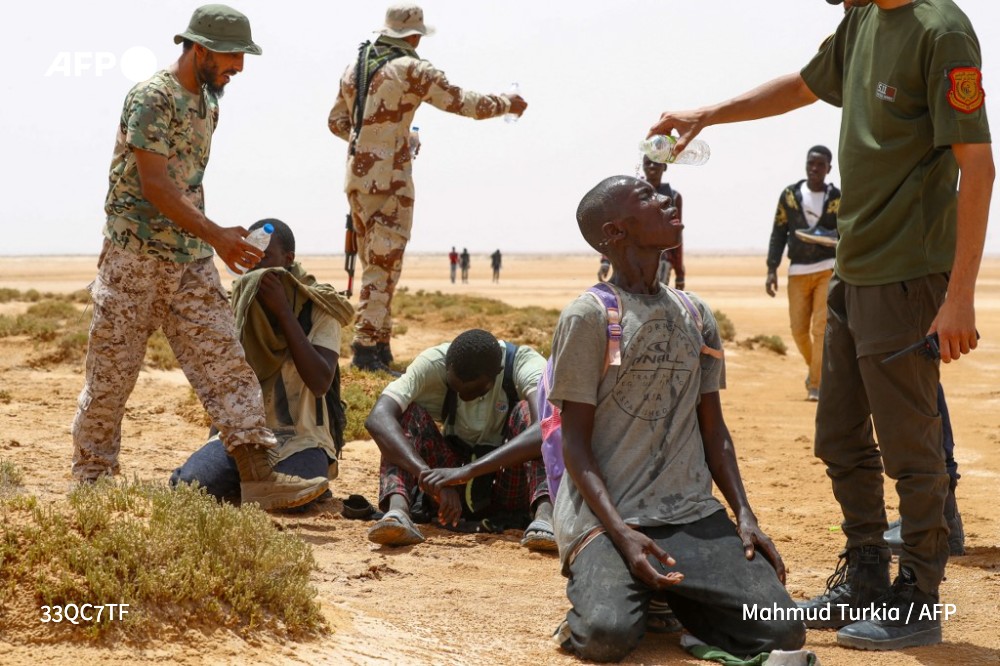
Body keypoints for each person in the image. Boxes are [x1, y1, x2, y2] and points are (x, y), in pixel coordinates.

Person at [649, 0, 993, 650]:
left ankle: (919, 594)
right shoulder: (862, 19)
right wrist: (707, 114)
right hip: (851, 270)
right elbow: (804, 86)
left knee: (911, 448)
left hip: (907, 272)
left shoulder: (941, 32)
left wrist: (960, 297)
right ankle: (865, 576)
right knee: (838, 436)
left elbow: (978, 165)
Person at [70, 5, 328, 510]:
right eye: (233, 56)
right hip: (134, 259)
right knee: (110, 378)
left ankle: (258, 477)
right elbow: (156, 185)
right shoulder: (152, 97)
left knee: (227, 368)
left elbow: (187, 185)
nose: (239, 68)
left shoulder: (209, 102)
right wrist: (218, 237)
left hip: (188, 260)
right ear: (201, 48)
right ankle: (91, 482)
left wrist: (214, 240)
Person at [548, 176, 804, 662]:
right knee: (605, 636)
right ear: (615, 232)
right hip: (609, 516)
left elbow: (714, 430)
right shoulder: (589, 317)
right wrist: (621, 533)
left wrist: (744, 515)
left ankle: (671, 598)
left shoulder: (695, 313)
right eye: (646, 198)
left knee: (782, 629)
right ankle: (624, 595)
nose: (666, 200)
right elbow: (574, 445)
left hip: (689, 512)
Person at [327, 3, 527, 374]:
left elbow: (337, 122)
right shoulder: (410, 68)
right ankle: (366, 350)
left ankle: (380, 345)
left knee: (379, 263)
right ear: (414, 36)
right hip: (389, 181)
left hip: (357, 179)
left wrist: (377, 140)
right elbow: (463, 102)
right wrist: (507, 104)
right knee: (382, 266)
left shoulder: (355, 67)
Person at [171, 219, 354, 509]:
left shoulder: (317, 306)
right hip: (242, 436)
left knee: (299, 493)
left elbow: (320, 381)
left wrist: (283, 311)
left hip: (300, 438)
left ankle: (253, 487)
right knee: (192, 489)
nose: (256, 267)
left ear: (288, 259)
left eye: (265, 258)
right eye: (250, 258)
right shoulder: (236, 304)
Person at [364, 329, 554, 551]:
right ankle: (397, 513)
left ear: (497, 373)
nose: (464, 396)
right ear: (447, 368)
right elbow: (378, 418)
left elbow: (545, 429)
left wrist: (467, 472)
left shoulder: (525, 365)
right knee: (405, 416)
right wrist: (429, 477)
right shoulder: (432, 362)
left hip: (507, 481)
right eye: (456, 388)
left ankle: (545, 516)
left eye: (475, 391)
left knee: (533, 416)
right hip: (449, 481)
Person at [766, 146, 840, 402]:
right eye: (811, 163)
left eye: (820, 165)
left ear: (829, 169)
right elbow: (778, 232)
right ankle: (816, 370)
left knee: (820, 329)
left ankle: (816, 385)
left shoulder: (837, 198)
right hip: (797, 271)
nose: (814, 168)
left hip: (827, 269)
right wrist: (771, 268)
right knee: (798, 330)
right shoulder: (790, 196)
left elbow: (846, 231)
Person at [642, 156, 685, 290]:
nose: (652, 166)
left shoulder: (673, 197)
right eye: (648, 163)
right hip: (635, 259)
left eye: (656, 162)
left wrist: (679, 272)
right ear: (643, 166)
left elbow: (676, 235)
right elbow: (620, 226)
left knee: (655, 299)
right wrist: (606, 261)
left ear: (664, 167)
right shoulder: (634, 194)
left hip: (662, 261)